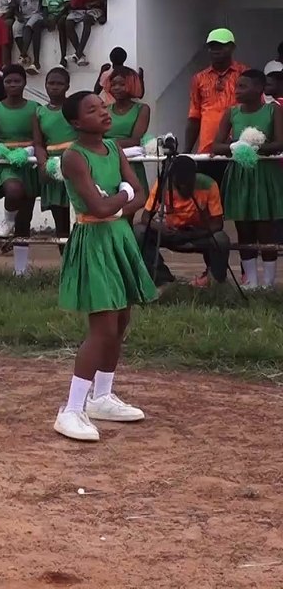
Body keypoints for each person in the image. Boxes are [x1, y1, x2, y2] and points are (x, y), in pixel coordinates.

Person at [54, 91, 155, 442]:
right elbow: (98, 207)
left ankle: (102, 396)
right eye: (93, 110)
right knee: (103, 327)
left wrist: (118, 201)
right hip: (94, 242)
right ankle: (71, 409)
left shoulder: (113, 148)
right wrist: (122, 197)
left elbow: (142, 193)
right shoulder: (73, 157)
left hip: (118, 238)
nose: (104, 112)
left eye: (103, 106)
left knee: (122, 319)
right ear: (77, 122)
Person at [210, 69, 283, 290]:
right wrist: (235, 147)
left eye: (243, 86)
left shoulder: (273, 111)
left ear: (259, 88)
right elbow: (216, 145)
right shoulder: (231, 113)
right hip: (240, 175)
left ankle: (268, 283)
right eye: (237, 86)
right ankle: (250, 281)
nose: (237, 90)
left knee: (265, 229)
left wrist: (256, 147)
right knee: (244, 229)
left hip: (265, 176)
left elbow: (280, 143)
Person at [134, 155, 231, 287]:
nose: (184, 189)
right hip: (171, 232)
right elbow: (146, 217)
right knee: (139, 231)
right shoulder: (162, 184)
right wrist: (159, 227)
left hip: (198, 234)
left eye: (189, 184)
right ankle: (163, 279)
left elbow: (218, 223)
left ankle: (215, 281)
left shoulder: (209, 184)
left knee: (221, 239)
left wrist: (193, 234)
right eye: (180, 185)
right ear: (172, 179)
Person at [0, 65, 41, 276]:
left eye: (17, 81)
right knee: (14, 190)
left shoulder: (35, 108)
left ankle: (20, 270)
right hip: (5, 163)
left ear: (24, 83)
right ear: (3, 84)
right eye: (8, 81)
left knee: (25, 218)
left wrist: (30, 150)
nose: (13, 85)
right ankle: (7, 220)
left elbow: (41, 137)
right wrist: (1, 152)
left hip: (29, 161)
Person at [187, 29, 250, 181]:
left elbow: (253, 109)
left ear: (232, 47)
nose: (216, 50)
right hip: (207, 152)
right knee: (210, 198)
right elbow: (194, 116)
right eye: (212, 46)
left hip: (238, 148)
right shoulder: (199, 78)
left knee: (235, 197)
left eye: (221, 46)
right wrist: (186, 153)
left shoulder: (245, 74)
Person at [32, 68, 77, 251]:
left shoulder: (75, 107)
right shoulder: (39, 112)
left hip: (76, 165)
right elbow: (38, 143)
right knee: (61, 225)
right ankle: (65, 264)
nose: (55, 87)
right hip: (53, 167)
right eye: (51, 83)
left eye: (59, 83)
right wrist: (44, 164)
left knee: (80, 221)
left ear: (67, 86)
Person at [105, 67, 152, 221]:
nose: (116, 88)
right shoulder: (105, 109)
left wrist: (105, 143)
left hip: (130, 164)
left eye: (121, 84)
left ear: (132, 85)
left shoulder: (142, 109)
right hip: (107, 163)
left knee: (126, 216)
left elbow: (135, 139)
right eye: (113, 84)